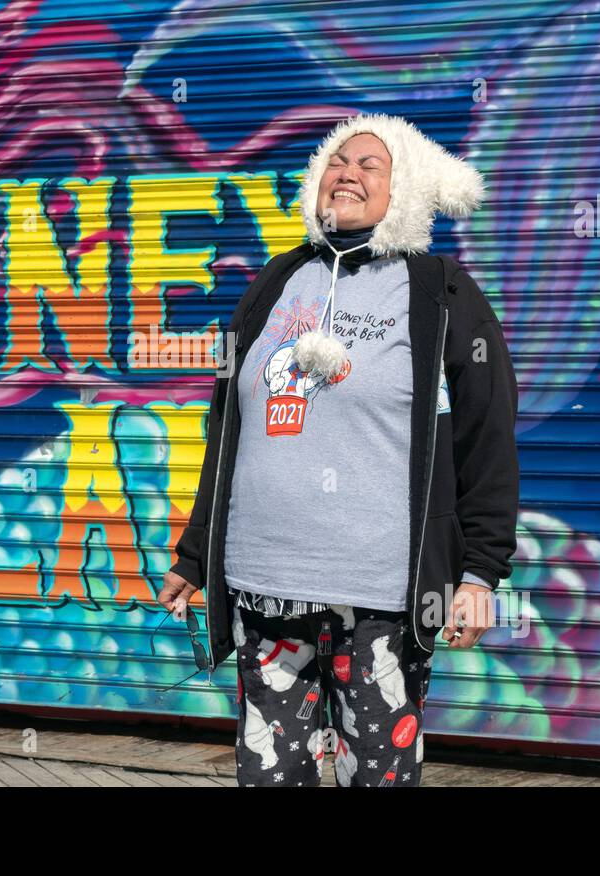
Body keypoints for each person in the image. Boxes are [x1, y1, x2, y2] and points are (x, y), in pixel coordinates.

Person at [157, 112, 520, 786]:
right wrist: (196, 550)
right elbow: (228, 429)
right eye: (337, 161)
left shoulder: (440, 295)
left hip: (379, 599)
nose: (347, 172)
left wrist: (478, 574)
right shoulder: (275, 282)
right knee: (269, 776)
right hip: (265, 592)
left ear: (403, 189)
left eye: (370, 164)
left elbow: (486, 437)